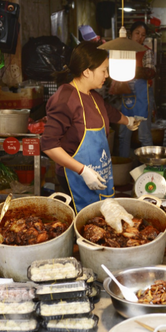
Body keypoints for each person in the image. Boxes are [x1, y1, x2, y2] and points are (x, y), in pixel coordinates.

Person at [41, 41, 141, 213]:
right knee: (85, 221)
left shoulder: (93, 96)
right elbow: (49, 145)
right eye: (104, 70)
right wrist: (83, 171)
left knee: (100, 217)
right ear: (87, 71)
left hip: (99, 172)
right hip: (75, 176)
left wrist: (128, 121)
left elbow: (109, 112)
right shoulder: (65, 99)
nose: (107, 75)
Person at [118, 21, 156, 158]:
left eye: (143, 35)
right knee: (123, 134)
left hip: (142, 97)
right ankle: (123, 165)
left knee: (144, 135)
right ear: (130, 33)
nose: (140, 37)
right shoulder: (122, 50)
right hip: (127, 96)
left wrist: (128, 70)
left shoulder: (146, 52)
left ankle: (149, 168)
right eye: (137, 33)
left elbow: (150, 72)